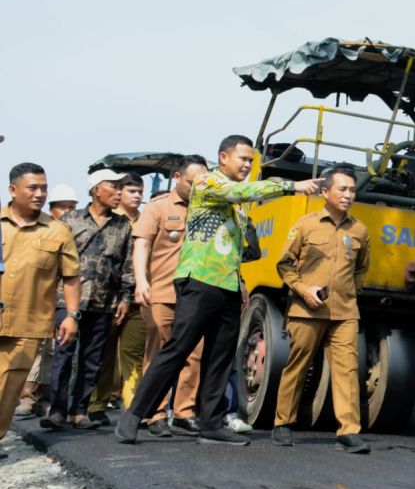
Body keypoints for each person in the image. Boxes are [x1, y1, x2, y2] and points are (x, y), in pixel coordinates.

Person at [116, 135, 322, 445]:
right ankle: (133, 417)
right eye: (243, 159)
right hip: (199, 279)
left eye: (251, 161)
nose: (247, 165)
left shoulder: (237, 206)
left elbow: (239, 246)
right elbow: (240, 190)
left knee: (220, 357)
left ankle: (211, 423)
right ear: (223, 157)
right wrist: (292, 186)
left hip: (227, 285)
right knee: (178, 349)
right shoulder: (207, 183)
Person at [271, 165, 371, 454]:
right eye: (342, 189)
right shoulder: (306, 225)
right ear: (325, 192)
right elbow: (285, 265)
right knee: (299, 365)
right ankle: (283, 424)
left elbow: (362, 268)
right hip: (307, 310)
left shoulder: (360, 230)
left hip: (345, 313)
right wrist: (303, 290)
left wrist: (352, 292)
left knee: (348, 370)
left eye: (352, 190)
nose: (348, 195)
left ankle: (348, 431)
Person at [41, 168, 134, 430]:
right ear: (96, 190)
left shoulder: (123, 224)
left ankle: (78, 410)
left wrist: (126, 296)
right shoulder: (70, 220)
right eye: (113, 187)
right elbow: (54, 261)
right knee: (64, 354)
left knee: (93, 358)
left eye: (120, 188)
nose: (118, 193)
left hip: (104, 301)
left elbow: (128, 264)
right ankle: (57, 409)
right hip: (67, 301)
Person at [1, 163, 81, 457]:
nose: (39, 194)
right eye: (32, 188)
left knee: (9, 387)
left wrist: (72, 315)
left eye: (43, 188)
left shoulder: (58, 231)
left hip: (29, 322)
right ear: (13, 190)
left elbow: (71, 276)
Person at [132, 155, 208, 437]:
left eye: (202, 182)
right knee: (159, 353)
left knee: (194, 355)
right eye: (191, 182)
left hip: (198, 296)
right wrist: (141, 281)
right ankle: (154, 413)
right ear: (177, 178)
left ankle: (184, 412)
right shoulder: (158, 207)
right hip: (162, 293)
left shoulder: (209, 209)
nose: (197, 188)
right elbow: (142, 245)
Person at [15, 183, 79, 417]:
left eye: (72, 206)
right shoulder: (36, 228)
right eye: (63, 207)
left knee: (54, 350)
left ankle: (44, 397)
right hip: (33, 301)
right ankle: (26, 395)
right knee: (33, 350)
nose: (68, 211)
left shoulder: (65, 231)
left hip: (60, 300)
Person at [88, 173, 147, 426]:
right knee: (103, 355)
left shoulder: (147, 221)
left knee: (134, 357)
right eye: (130, 190)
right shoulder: (111, 223)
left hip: (139, 300)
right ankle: (96, 404)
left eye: (139, 191)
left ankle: (133, 409)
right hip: (108, 301)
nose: (136, 196)